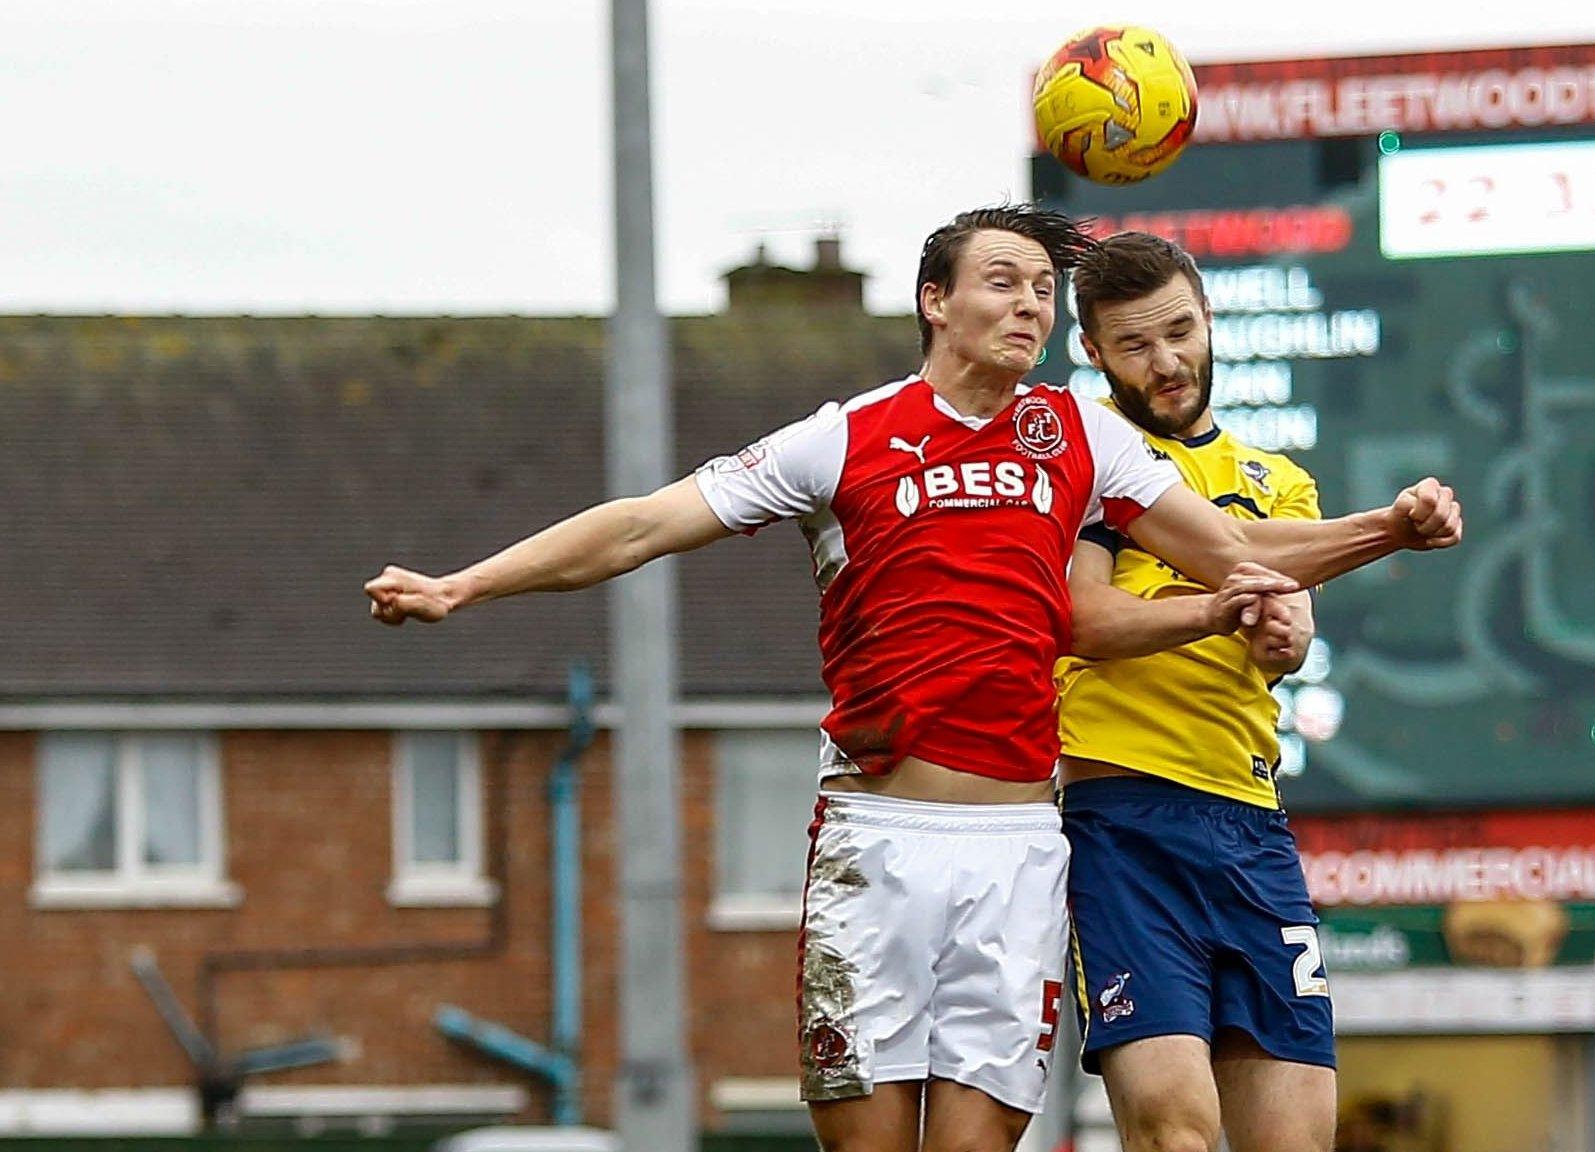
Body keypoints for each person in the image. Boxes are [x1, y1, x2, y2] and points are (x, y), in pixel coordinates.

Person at [365, 205, 1462, 1152]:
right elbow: (646, 523)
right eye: (1002, 282)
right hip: (873, 841)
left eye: (1042, 289)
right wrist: (466, 585)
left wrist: (1387, 530)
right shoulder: (843, 440)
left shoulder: (1080, 436)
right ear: (934, 300)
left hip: (1018, 854)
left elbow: (1237, 556)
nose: (1028, 305)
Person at [1059, 231, 1425, 1152]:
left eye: (1180, 331)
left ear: (1210, 318)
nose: (1168, 361)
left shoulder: (1281, 482)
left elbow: (1282, 643)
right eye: (1135, 345)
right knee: (1175, 1130)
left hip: (1251, 825)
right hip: (1122, 822)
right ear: (1094, 354)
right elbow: (1083, 620)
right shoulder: (1081, 456)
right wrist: (1220, 605)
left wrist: (1286, 629)